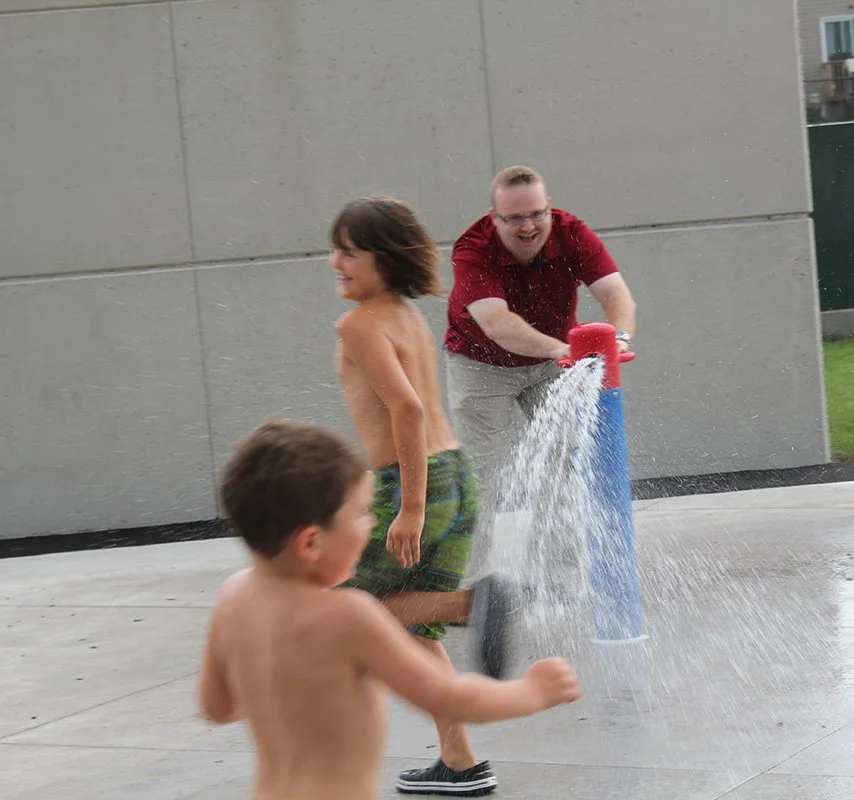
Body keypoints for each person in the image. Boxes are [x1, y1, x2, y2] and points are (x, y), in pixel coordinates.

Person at [198, 418, 581, 800]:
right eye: (362, 513)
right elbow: (448, 698)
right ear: (311, 542)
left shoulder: (233, 596)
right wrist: (533, 692)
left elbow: (217, 706)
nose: (372, 523)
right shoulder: (348, 616)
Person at [327, 196, 513, 795]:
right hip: (456, 475)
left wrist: (406, 507)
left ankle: (469, 607)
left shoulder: (358, 324)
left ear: (382, 258)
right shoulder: (405, 314)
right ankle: (460, 762)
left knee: (341, 613)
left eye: (349, 252)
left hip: (415, 485)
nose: (335, 261)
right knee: (411, 628)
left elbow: (404, 408)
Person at [443, 166, 638, 569]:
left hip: (550, 362)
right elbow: (497, 325)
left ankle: (560, 578)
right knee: (484, 477)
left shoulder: (571, 232)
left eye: (536, 214)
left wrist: (618, 339)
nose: (528, 226)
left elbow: (615, 292)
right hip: (481, 365)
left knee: (564, 465)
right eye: (514, 218)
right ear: (494, 218)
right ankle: (476, 587)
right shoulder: (472, 249)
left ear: (549, 208)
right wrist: (565, 350)